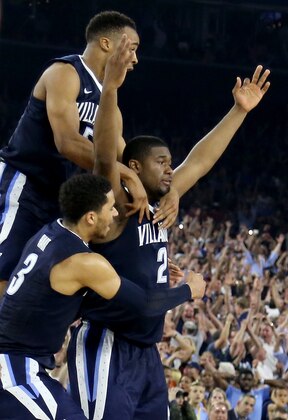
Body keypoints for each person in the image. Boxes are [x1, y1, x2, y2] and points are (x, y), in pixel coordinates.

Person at [66, 34, 271, 419]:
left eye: (169, 161)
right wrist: (110, 87)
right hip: (108, 342)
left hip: (146, 351)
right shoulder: (118, 204)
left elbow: (200, 161)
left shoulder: (161, 203)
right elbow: (107, 153)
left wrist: (238, 111)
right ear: (137, 167)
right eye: (161, 162)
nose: (170, 169)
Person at [0, 174, 205, 419]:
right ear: (90, 217)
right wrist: (188, 289)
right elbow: (144, 305)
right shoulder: (84, 263)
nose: (116, 214)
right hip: (14, 368)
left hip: (25, 364)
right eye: (111, 208)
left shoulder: (51, 232)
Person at [0, 11, 170, 298]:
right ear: (106, 43)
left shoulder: (108, 102)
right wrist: (126, 173)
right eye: (133, 48)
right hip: (25, 183)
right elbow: (67, 142)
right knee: (4, 274)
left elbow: (129, 159)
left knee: (38, 282)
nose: (136, 59)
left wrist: (170, 193)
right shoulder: (65, 72)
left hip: (60, 198)